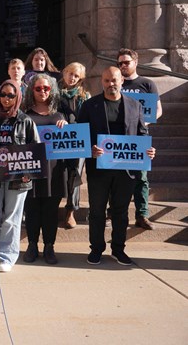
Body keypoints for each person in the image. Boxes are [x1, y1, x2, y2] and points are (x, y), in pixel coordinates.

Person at [77, 66, 155, 266]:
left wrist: (148, 150)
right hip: (99, 168)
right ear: (102, 82)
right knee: (97, 211)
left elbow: (142, 134)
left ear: (122, 81)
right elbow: (80, 135)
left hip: (126, 169)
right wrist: (90, 150)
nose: (110, 84)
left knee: (120, 211)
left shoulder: (135, 105)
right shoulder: (90, 105)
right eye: (106, 80)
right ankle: (96, 249)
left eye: (114, 80)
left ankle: (118, 249)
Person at [0, 79, 39, 272]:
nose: (6, 99)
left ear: (17, 97)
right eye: (3, 95)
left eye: (11, 95)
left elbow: (35, 150)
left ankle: (7, 256)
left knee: (12, 218)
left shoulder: (26, 121)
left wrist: (29, 173)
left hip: (18, 177)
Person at [21, 74, 73, 265]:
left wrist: (66, 128)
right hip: (31, 169)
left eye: (46, 88)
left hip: (54, 170)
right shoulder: (24, 114)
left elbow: (72, 139)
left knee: (51, 211)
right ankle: (32, 245)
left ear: (52, 90)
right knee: (32, 209)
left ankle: (49, 246)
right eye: (38, 88)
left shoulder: (59, 114)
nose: (42, 91)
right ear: (31, 91)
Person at [117, 48, 163, 230]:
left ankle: (142, 215)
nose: (123, 66)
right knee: (116, 177)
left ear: (135, 62)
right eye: (120, 63)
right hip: (118, 137)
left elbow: (158, 110)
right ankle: (113, 212)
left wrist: (144, 122)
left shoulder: (147, 83)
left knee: (141, 178)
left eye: (126, 62)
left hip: (140, 137)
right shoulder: (116, 82)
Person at [59, 62, 91, 228]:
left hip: (78, 140)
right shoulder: (54, 94)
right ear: (64, 73)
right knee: (59, 172)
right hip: (58, 139)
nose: (72, 78)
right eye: (70, 73)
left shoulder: (85, 97)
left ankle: (71, 210)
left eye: (76, 76)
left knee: (75, 174)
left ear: (81, 79)